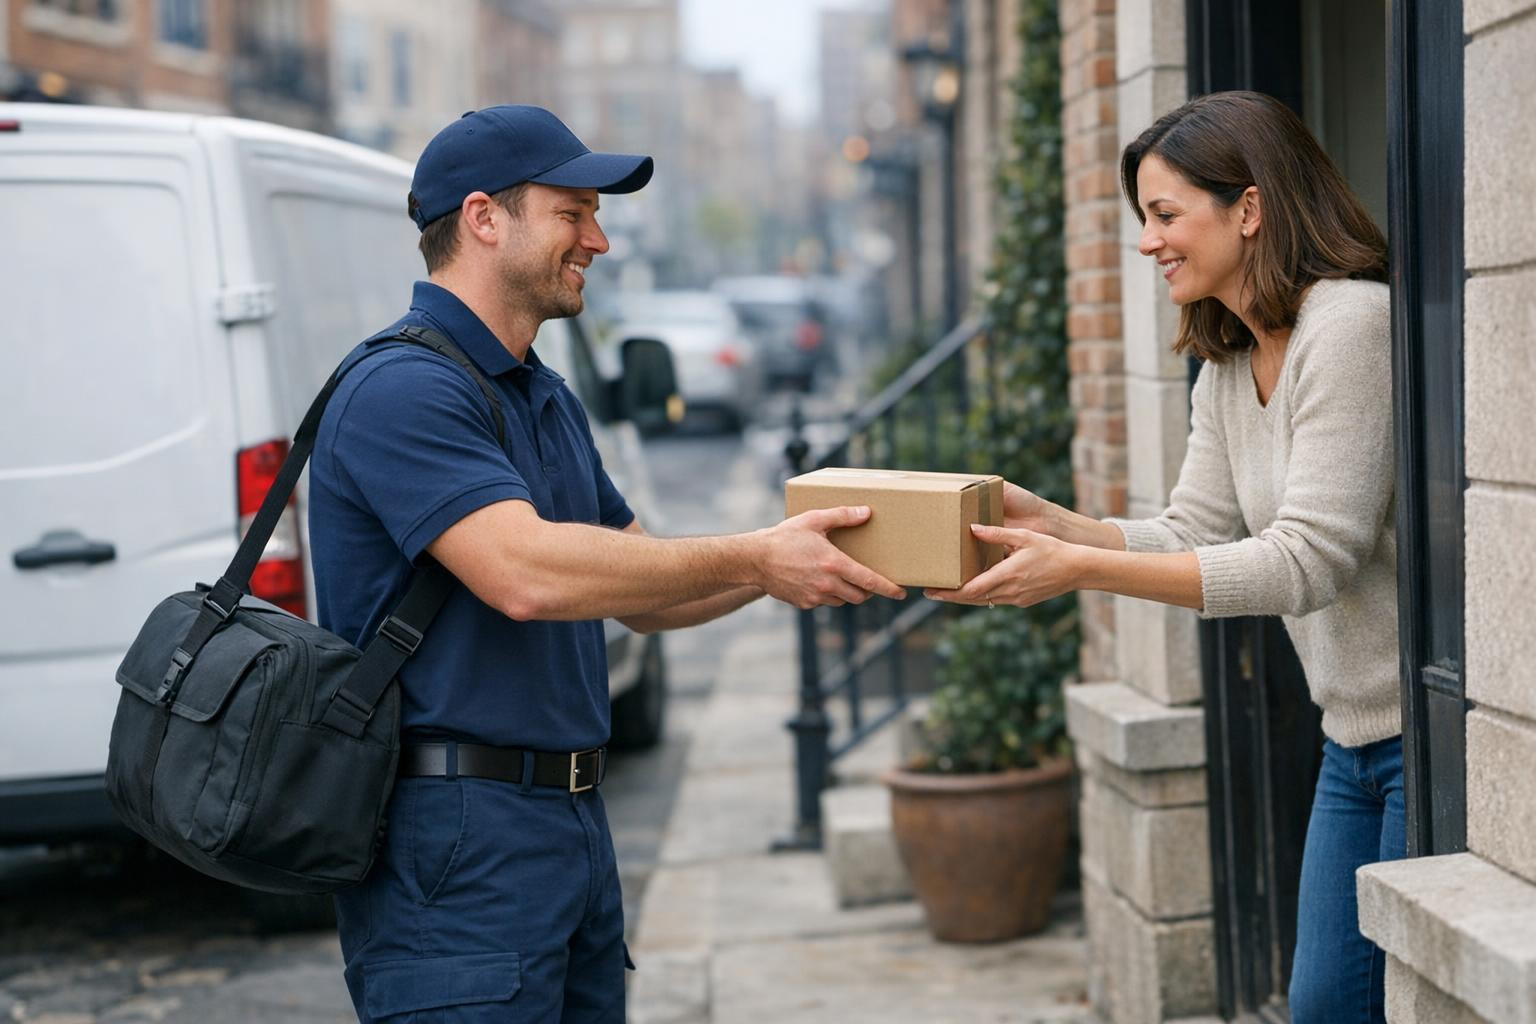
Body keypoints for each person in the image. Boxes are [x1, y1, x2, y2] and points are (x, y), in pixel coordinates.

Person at [308, 105, 905, 1023]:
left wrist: (790, 562)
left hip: (569, 827)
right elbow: (525, 575)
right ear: (483, 219)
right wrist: (756, 551)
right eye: (572, 213)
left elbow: (644, 592)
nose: (600, 238)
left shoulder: (542, 395)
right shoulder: (401, 388)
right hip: (453, 840)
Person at [926, 91, 1397, 1023]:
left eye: (1165, 215)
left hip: (1427, 745)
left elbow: (1307, 563)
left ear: (1250, 209)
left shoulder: (1352, 327)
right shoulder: (1228, 361)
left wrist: (1083, 571)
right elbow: (1193, 531)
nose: (1149, 243)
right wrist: (1057, 524)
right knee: (1324, 1007)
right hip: (1349, 741)